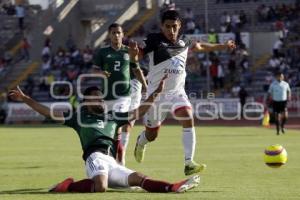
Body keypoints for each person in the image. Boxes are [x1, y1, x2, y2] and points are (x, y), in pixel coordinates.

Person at [9, 77, 200, 193]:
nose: (100, 101)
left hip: (111, 161)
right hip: (94, 157)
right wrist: (26, 99)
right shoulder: (78, 117)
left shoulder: (113, 116)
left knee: (138, 179)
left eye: (101, 98)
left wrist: (155, 94)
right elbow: (48, 112)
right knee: (100, 186)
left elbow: (138, 112)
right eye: (95, 98)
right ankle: (68, 186)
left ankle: (172, 187)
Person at [130, 10, 236, 176]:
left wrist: (223, 46)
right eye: (167, 27)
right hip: (155, 95)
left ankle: (189, 162)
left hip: (177, 92)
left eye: (174, 27)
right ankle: (141, 141)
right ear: (161, 26)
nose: (171, 30)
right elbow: (138, 55)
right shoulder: (153, 40)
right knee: (152, 134)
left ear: (180, 26)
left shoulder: (185, 40)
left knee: (187, 116)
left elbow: (200, 46)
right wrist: (135, 55)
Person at [93, 23, 148, 165]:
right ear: (109, 35)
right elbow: (94, 71)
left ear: (123, 34)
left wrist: (146, 86)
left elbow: (136, 70)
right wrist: (101, 73)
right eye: (113, 33)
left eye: (118, 32)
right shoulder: (102, 52)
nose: (116, 35)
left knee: (117, 125)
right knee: (109, 129)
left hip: (124, 96)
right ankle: (111, 159)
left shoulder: (128, 52)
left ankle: (120, 161)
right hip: (106, 96)